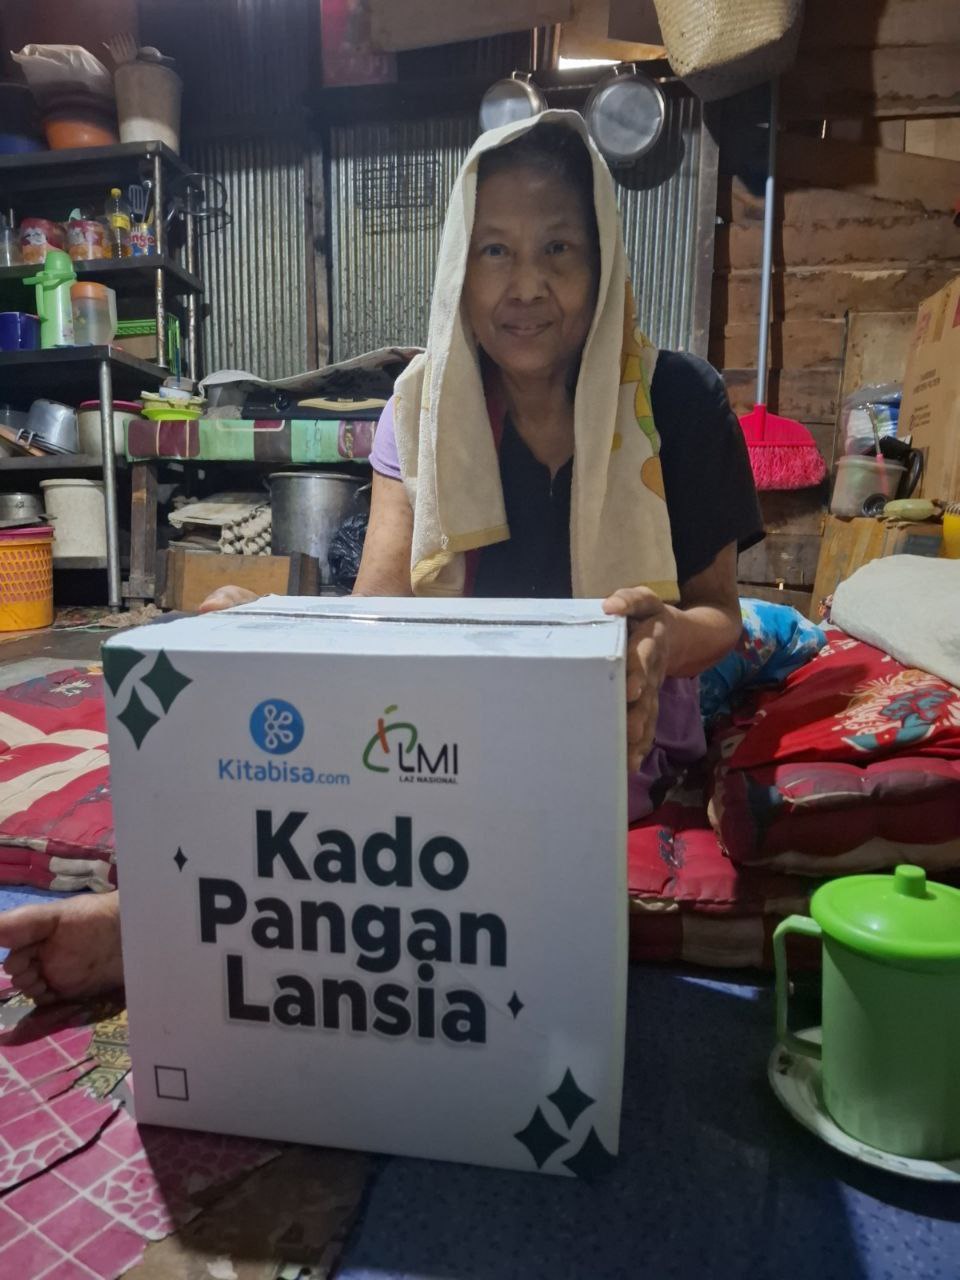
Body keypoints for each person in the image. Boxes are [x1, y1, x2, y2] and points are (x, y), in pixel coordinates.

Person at [0, 112, 761, 1005]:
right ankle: (159, 923)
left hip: (611, 727)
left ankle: (168, 935)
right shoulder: (424, 406)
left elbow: (723, 617)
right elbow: (379, 617)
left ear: (602, 265)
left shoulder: (678, 400)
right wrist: (270, 626)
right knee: (312, 765)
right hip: (452, 708)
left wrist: (662, 639)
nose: (527, 287)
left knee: (480, 818)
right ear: (457, 269)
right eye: (494, 252)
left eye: (558, 249)